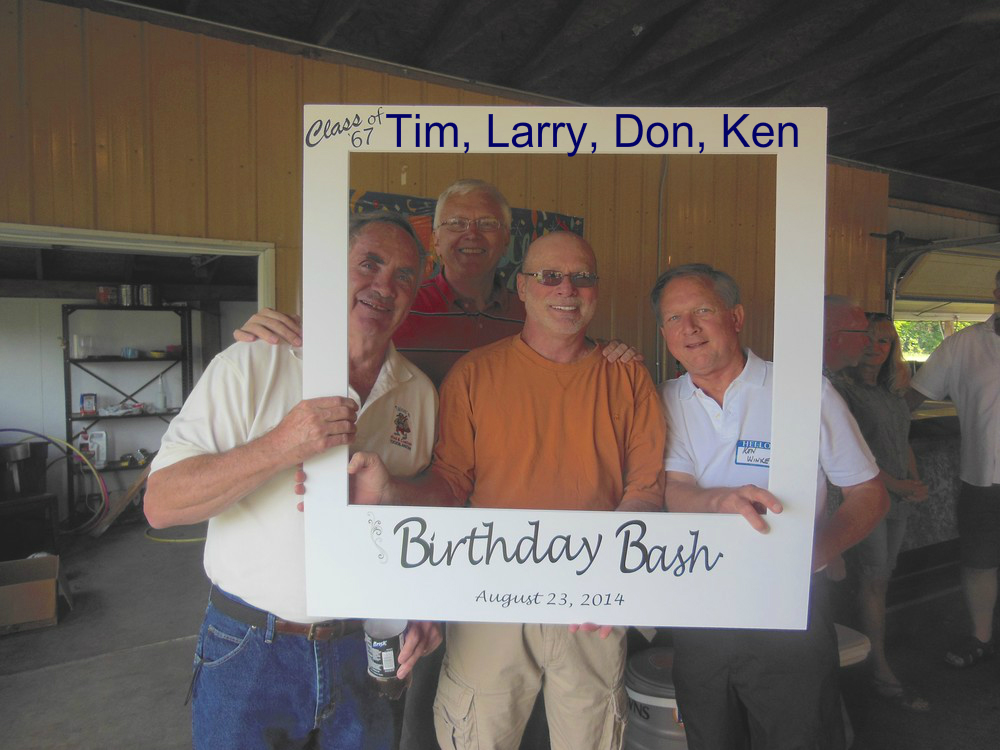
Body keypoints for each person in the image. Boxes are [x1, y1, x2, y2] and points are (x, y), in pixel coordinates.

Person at [347, 231, 666, 750]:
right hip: (491, 596)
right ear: (522, 287)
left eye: (583, 277)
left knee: (593, 738)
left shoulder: (627, 377)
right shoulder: (474, 374)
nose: (567, 288)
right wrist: (391, 493)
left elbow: (645, 492)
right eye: (550, 276)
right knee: (478, 736)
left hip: (593, 600)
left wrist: (613, 578)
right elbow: (451, 484)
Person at [143, 212, 442, 750]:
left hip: (365, 646)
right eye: (369, 263)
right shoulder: (251, 363)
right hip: (251, 647)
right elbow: (161, 504)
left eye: (404, 275)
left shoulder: (418, 392)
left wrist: (422, 603)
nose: (385, 285)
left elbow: (421, 520)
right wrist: (283, 443)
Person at [653, 263, 889, 750]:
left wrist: (814, 551)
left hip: (789, 608)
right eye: (674, 318)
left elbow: (869, 493)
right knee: (711, 738)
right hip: (701, 607)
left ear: (736, 317)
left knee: (800, 737)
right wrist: (721, 500)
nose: (689, 328)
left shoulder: (803, 392)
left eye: (702, 311)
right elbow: (675, 489)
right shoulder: (665, 399)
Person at [834, 312, 929, 711]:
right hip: (865, 499)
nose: (875, 347)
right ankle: (879, 671)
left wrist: (914, 480)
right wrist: (897, 484)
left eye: (885, 341)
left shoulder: (892, 394)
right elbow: (856, 456)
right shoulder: (842, 391)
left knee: (880, 580)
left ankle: (865, 659)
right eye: (869, 338)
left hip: (897, 500)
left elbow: (901, 440)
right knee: (870, 580)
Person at [906, 269, 1000, 669]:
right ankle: (981, 638)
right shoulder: (963, 345)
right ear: (996, 292)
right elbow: (911, 398)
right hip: (982, 478)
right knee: (979, 561)